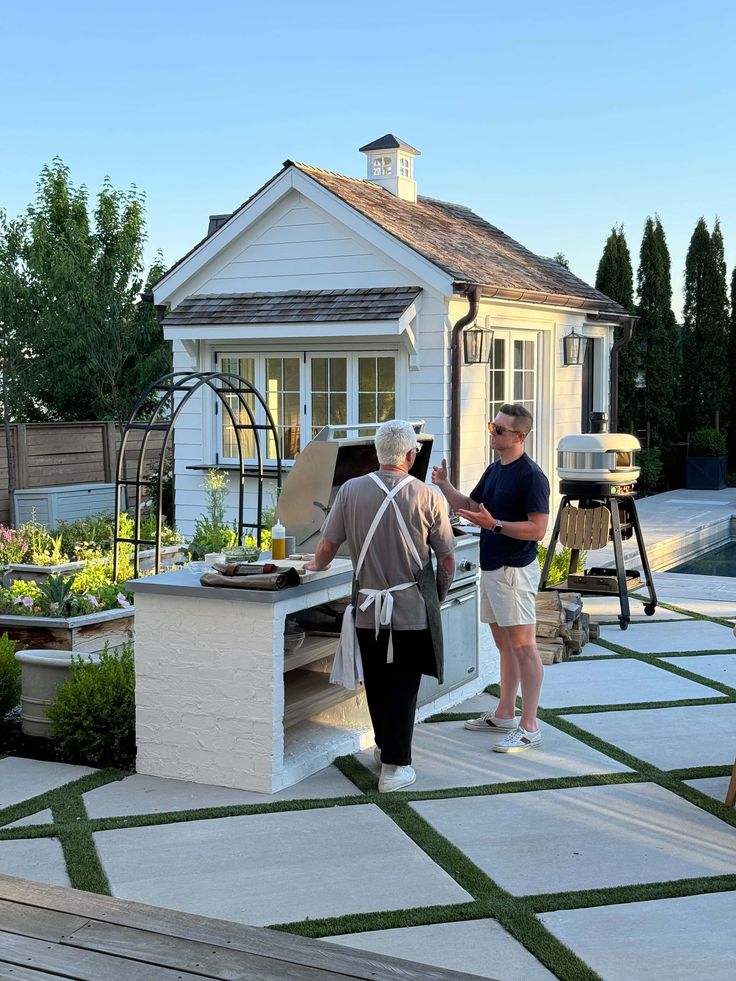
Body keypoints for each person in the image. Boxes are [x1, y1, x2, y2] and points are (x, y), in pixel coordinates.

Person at [305, 419, 456, 792]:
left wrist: (312, 568)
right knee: (403, 686)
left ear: (377, 453)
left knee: (375, 682)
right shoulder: (429, 496)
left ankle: (386, 748)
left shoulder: (351, 491)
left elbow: (326, 547)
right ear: (410, 454)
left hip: (368, 608)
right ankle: (396, 767)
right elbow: (447, 559)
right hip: (410, 609)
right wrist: (437, 596)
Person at [432, 403, 550, 753]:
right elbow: (470, 504)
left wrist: (495, 525)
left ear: (519, 435)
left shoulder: (531, 476)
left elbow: (538, 530)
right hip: (494, 568)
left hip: (514, 570)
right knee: (504, 645)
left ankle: (529, 725)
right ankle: (504, 714)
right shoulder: (496, 469)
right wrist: (444, 485)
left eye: (499, 430)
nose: (492, 434)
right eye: (491, 427)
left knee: (524, 647)